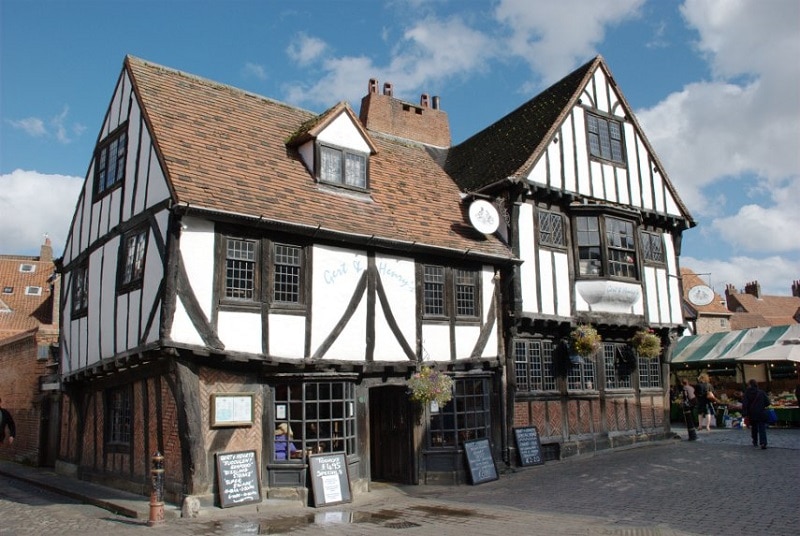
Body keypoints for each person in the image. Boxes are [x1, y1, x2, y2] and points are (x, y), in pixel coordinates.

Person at [742, 379, 770, 449]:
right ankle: (763, 442)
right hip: (761, 412)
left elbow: (745, 404)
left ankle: (755, 440)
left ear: (749, 385)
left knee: (754, 427)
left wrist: (745, 414)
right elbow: (767, 402)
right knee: (762, 427)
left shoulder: (747, 393)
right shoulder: (761, 392)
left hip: (752, 413)